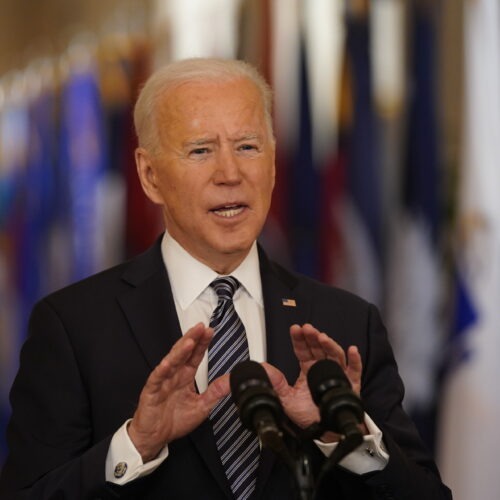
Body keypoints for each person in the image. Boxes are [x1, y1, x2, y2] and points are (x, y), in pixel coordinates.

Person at [0, 58, 451, 500]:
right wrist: (135, 445)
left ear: (273, 165)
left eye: (248, 147)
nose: (230, 174)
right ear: (150, 174)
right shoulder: (73, 326)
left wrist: (343, 435)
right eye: (200, 150)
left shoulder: (347, 322)